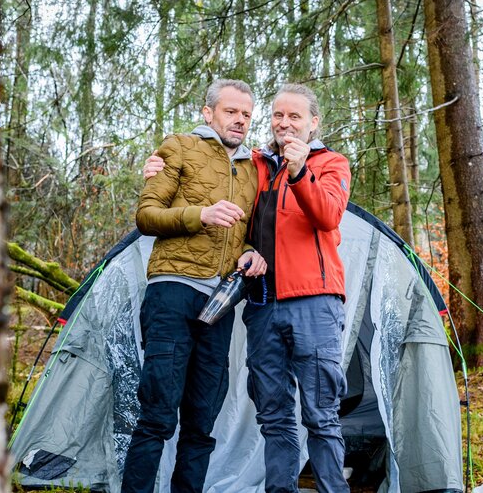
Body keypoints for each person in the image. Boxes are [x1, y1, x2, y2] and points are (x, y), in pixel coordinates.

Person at [144, 83, 352, 493]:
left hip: (315, 302)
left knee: (320, 415)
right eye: (278, 115)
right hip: (262, 305)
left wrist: (299, 171)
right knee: (273, 416)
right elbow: (211, 166)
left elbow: (328, 216)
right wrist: (155, 165)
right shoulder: (257, 164)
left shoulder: (332, 164)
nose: (285, 123)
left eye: (295, 116)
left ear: (314, 123)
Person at [122, 78, 266, 493]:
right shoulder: (179, 147)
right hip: (172, 292)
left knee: (202, 421)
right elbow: (146, 215)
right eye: (230, 111)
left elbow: (252, 231)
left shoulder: (253, 169)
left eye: (245, 114)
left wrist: (252, 251)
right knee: (158, 416)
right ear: (208, 113)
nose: (239, 120)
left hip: (219, 303)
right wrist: (200, 214)